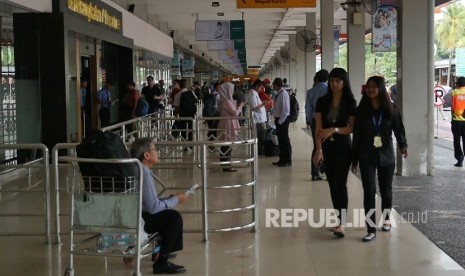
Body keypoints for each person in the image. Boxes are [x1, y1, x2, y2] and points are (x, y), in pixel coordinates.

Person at [351, 76, 408, 242]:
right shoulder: (361, 111)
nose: (370, 89)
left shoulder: (391, 109)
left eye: (374, 87)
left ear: (381, 89)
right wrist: (355, 159)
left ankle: (387, 219)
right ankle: (370, 229)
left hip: (386, 155)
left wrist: (403, 146)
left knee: (386, 190)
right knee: (369, 192)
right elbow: (358, 136)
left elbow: (399, 129)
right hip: (366, 155)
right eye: (368, 86)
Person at [130, 138, 187, 274]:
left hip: (135, 214)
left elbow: (149, 201)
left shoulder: (137, 169)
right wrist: (175, 200)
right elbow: (153, 208)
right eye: (154, 149)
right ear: (147, 155)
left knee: (167, 212)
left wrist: (169, 199)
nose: (157, 152)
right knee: (174, 218)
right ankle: (162, 261)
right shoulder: (143, 173)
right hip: (142, 219)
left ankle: (160, 251)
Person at [312, 68, 356, 238]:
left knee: (341, 184)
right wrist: (318, 150)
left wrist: (335, 129)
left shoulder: (350, 102)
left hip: (344, 148)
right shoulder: (322, 101)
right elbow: (318, 128)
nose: (334, 84)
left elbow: (351, 128)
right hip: (326, 148)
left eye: (338, 81)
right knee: (332, 184)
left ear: (344, 82)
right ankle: (339, 221)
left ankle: (342, 223)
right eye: (332, 81)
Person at [305, 69, 329, 181]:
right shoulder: (330, 90)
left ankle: (315, 173)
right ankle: (329, 172)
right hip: (328, 122)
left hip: (316, 121)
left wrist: (310, 120)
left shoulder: (311, 91)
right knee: (329, 147)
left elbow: (308, 108)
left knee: (317, 147)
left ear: (317, 78)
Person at [217, 82, 245, 172]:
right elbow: (235, 113)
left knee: (227, 145)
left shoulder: (225, 100)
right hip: (228, 125)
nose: (233, 92)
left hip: (227, 124)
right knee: (227, 145)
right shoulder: (226, 101)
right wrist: (240, 106)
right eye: (232, 90)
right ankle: (226, 166)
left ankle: (225, 164)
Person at [271, 78, 292, 167]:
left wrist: (280, 122)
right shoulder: (279, 93)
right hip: (279, 120)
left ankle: (287, 160)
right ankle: (282, 159)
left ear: (277, 85)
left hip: (282, 120)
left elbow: (286, 110)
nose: (273, 87)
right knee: (280, 140)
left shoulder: (283, 94)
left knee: (284, 140)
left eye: (273, 85)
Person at [246, 79, 269, 155]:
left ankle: (261, 149)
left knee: (261, 134)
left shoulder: (255, 93)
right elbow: (254, 107)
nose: (260, 89)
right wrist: (263, 104)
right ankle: (260, 150)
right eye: (260, 87)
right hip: (258, 118)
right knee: (261, 134)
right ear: (256, 86)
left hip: (260, 118)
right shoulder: (252, 93)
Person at [450, 76, 465, 167]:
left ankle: (460, 159)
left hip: (456, 121)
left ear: (458, 84)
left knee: (456, 141)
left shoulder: (454, 92)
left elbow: (448, 102)